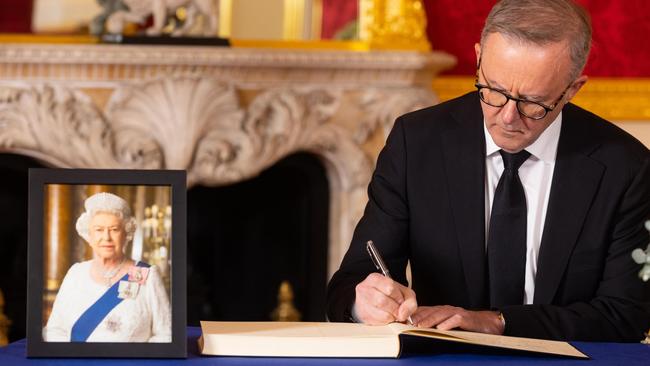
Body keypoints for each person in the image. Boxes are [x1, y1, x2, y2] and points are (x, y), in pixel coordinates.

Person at [327, 0, 650, 342]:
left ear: (572, 89)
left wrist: (497, 322)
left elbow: (625, 315)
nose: (508, 117)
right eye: (493, 90)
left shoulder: (626, 168)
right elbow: (347, 285)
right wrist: (365, 304)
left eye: (533, 102)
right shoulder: (416, 143)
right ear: (479, 58)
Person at [43, 192, 171, 342]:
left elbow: (166, 334)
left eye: (114, 229)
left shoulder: (147, 275)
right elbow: (54, 330)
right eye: (99, 230)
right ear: (89, 236)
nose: (106, 237)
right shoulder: (75, 273)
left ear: (126, 234)